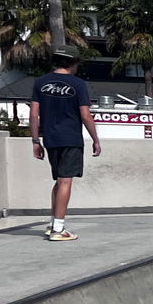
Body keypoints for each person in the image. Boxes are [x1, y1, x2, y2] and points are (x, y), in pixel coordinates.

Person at [29, 47, 101, 242]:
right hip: (70, 138)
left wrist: (35, 141)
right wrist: (95, 139)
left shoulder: (40, 82)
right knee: (65, 182)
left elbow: (34, 114)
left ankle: (54, 224)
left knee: (59, 181)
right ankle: (58, 230)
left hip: (50, 139)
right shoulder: (78, 84)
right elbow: (85, 115)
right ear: (73, 63)